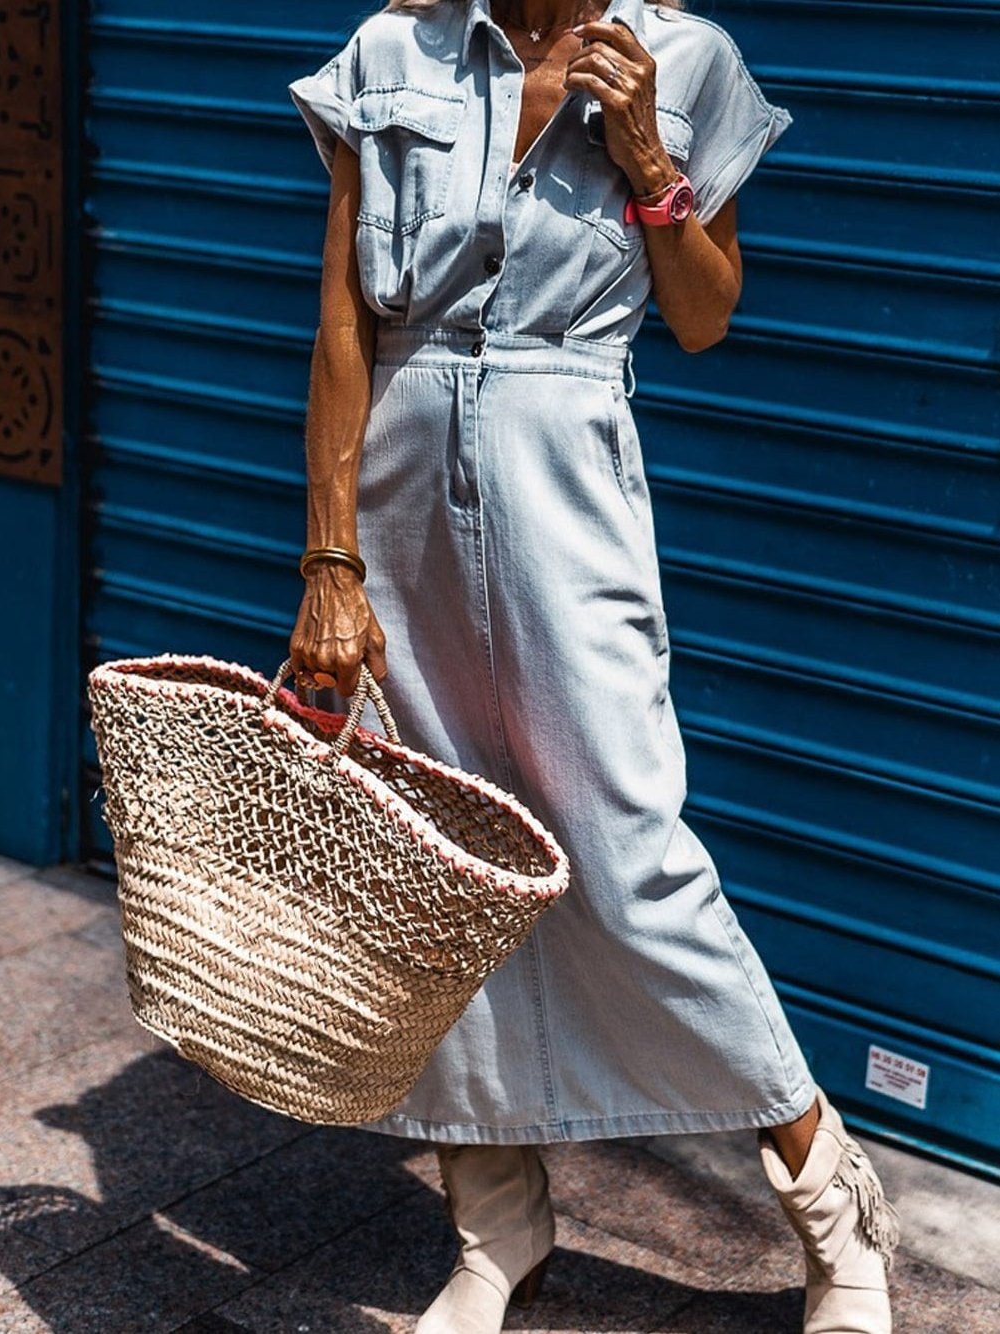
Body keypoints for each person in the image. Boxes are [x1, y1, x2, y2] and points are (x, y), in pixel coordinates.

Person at [286, 0, 902, 1328]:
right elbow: (343, 316)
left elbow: (703, 316)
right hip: (395, 488)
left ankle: (827, 1197)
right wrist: (327, 559)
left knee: (627, 847)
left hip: (565, 467)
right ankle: (495, 1225)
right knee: (432, 867)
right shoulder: (393, 54)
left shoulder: (686, 62)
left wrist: (647, 163)